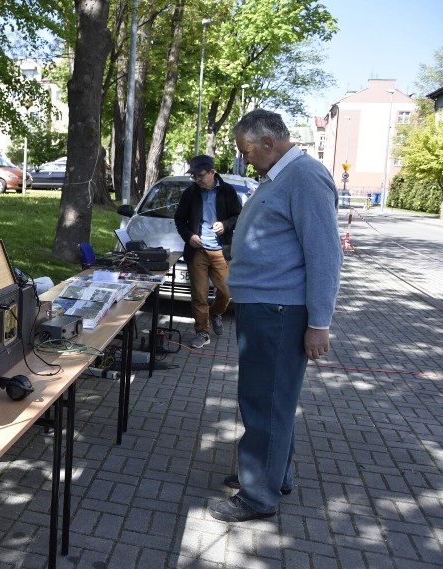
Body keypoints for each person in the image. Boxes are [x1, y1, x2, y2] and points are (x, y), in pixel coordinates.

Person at [208, 109, 343, 523]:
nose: (243, 159)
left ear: (269, 142)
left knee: (264, 401)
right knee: (272, 401)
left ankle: (258, 496)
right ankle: (271, 474)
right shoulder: (280, 177)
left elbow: (325, 254)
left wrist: (320, 323)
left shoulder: (304, 176)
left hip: (279, 311)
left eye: (245, 151)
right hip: (264, 308)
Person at [174, 155, 242, 349]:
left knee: (226, 291)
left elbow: (238, 215)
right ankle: (202, 332)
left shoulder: (228, 192)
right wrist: (189, 236)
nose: (197, 179)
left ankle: (215, 313)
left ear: (212, 172)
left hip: (221, 251)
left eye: (200, 175)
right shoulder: (190, 193)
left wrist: (226, 224)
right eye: (194, 176)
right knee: (199, 295)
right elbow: (179, 219)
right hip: (198, 252)